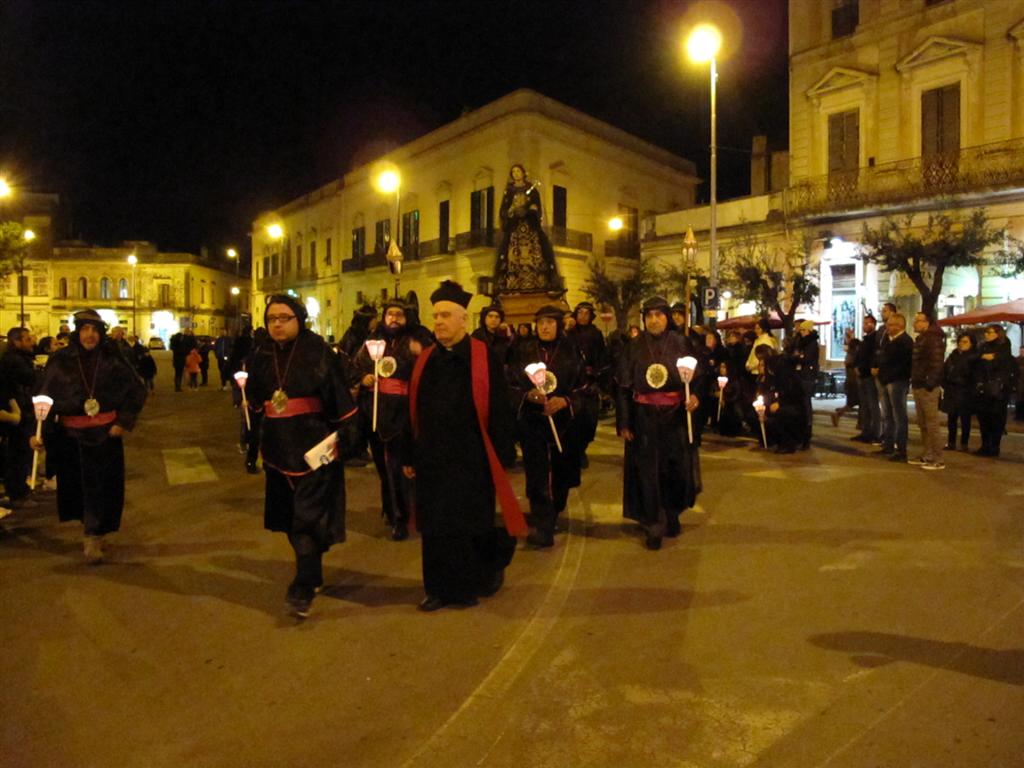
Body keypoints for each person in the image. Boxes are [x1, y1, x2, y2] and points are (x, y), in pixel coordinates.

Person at [403, 280, 525, 611]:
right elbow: (411, 409)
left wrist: (501, 454)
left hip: (472, 458)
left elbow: (499, 408)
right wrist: (409, 454)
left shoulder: (485, 357)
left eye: (445, 315)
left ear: (463, 320)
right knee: (434, 528)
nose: (438, 321)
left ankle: (465, 586)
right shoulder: (425, 360)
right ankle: (436, 589)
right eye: (435, 315)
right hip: (432, 459)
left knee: (469, 525)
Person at [246, 294, 359, 618]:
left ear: (299, 319)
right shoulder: (261, 355)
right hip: (277, 451)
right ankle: (313, 571)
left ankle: (303, 587)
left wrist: (347, 439)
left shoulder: (319, 353)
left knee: (306, 519)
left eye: (284, 318)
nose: (277, 324)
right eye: (272, 319)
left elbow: (340, 400)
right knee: (289, 520)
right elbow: (255, 399)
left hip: (316, 450)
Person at [32, 310, 147, 563]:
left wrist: (123, 422)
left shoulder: (112, 358)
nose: (90, 335)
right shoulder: (61, 360)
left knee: (101, 488)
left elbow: (136, 390)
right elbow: (44, 396)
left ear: (101, 333)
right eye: (85, 329)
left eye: (94, 330)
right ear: (77, 331)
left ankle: (93, 535)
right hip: (70, 437)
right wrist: (38, 432)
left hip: (105, 435)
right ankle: (91, 528)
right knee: (77, 489)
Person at [616, 296, 703, 551]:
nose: (654, 320)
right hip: (644, 418)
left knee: (674, 469)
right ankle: (653, 523)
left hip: (675, 417)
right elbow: (622, 388)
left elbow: (699, 376)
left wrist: (695, 395)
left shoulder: (681, 343)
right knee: (648, 473)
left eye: (659, 315)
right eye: (649, 316)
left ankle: (672, 513)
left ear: (667, 318)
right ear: (644, 319)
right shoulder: (634, 346)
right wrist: (624, 421)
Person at [508, 305, 585, 548]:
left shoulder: (572, 351)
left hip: (564, 425)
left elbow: (586, 387)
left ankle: (554, 510)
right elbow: (510, 383)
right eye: (540, 322)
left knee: (561, 474)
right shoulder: (524, 350)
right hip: (533, 423)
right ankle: (542, 522)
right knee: (537, 473)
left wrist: (565, 401)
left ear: (559, 325)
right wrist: (527, 395)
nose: (544, 327)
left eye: (550, 322)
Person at [352, 298, 421, 541]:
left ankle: (401, 516)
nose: (393, 318)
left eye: (398, 315)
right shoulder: (372, 342)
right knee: (384, 468)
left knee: (399, 466)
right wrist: (363, 379)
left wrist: (419, 355)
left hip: (403, 413)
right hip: (376, 411)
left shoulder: (415, 340)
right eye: (389, 314)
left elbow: (426, 371)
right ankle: (392, 511)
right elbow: (356, 366)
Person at [494, 164, 559, 293]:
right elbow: (503, 210)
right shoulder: (509, 191)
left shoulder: (532, 189)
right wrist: (511, 211)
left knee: (536, 252)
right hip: (514, 230)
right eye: (513, 172)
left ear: (524, 173)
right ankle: (513, 283)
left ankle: (538, 281)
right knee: (511, 254)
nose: (516, 174)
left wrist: (528, 210)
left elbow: (537, 208)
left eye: (518, 171)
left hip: (530, 228)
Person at [567, 301, 608, 468]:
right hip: (572, 383)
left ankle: (582, 447)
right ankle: (574, 452)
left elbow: (602, 356)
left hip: (589, 383)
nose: (583, 316)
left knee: (589, 420)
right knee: (572, 419)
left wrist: (597, 374)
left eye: (586, 313)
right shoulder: (569, 333)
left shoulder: (596, 333)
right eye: (580, 313)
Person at [0, 327, 38, 507]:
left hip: (19, 408)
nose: (32, 342)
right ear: (17, 342)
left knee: (19, 452)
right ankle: (17, 493)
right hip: (18, 411)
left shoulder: (16, 358)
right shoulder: (14, 360)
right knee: (18, 452)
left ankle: (17, 489)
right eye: (28, 339)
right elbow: (31, 379)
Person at [909, 312, 946, 470]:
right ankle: (927, 453)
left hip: (927, 386)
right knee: (923, 423)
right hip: (919, 383)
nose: (915, 324)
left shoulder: (933, 339)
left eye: (918, 321)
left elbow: (937, 363)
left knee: (932, 423)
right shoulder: (923, 338)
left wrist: (929, 382)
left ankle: (938, 458)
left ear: (927, 323)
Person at [971, 324, 1015, 457]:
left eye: (990, 332)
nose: (987, 335)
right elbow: (974, 360)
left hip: (998, 390)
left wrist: (993, 358)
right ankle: (985, 445)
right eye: (986, 332)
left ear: (998, 334)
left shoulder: (1004, 348)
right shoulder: (983, 347)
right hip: (983, 388)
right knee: (983, 418)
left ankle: (994, 446)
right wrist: (983, 357)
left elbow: (1003, 365)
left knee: (996, 419)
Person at [875, 312, 913, 462]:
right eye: (888, 324)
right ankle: (888, 445)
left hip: (897, 382)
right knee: (887, 415)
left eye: (891, 325)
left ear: (900, 325)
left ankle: (901, 450)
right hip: (886, 380)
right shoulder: (888, 340)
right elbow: (881, 357)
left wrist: (887, 375)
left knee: (899, 416)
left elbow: (903, 365)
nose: (888, 327)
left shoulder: (905, 341)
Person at [785, 319, 820, 449]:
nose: (801, 332)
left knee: (806, 405)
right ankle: (800, 434)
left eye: (804, 330)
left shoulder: (811, 344)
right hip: (800, 376)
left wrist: (798, 356)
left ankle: (806, 435)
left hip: (807, 377)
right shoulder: (801, 342)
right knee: (801, 405)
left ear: (809, 330)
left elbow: (806, 359)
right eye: (800, 330)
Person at [849, 315, 881, 442]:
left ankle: (875, 433)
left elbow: (873, 357)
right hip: (862, 375)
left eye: (868, 323)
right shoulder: (865, 339)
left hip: (869, 375)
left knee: (872, 405)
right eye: (864, 323)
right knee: (864, 405)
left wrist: (869, 368)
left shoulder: (875, 339)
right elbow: (859, 355)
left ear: (874, 324)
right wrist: (856, 366)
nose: (865, 325)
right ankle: (865, 431)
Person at [942, 332, 975, 451]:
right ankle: (951, 442)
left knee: (965, 419)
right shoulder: (953, 355)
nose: (962, 344)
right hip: (952, 391)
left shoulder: (973, 357)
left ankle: (964, 443)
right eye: (960, 341)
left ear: (971, 344)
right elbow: (945, 371)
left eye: (965, 342)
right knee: (952, 418)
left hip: (965, 392)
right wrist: (945, 384)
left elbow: (971, 375)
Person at [831, 327, 860, 426]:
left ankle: (860, 423)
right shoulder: (853, 357)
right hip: (854, 383)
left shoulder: (850, 355)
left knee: (855, 404)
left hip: (851, 382)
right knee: (854, 404)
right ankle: (837, 414)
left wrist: (850, 336)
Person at [169, 327, 196, 392]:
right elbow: (188, 348)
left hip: (177, 360)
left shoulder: (175, 344)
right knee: (179, 373)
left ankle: (178, 386)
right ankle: (178, 387)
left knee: (178, 373)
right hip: (180, 360)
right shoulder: (180, 343)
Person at [1016, 345, 1024, 422]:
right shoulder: (1017, 360)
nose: (1022, 352)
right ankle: (1018, 416)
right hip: (1019, 383)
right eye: (1021, 351)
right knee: (1019, 400)